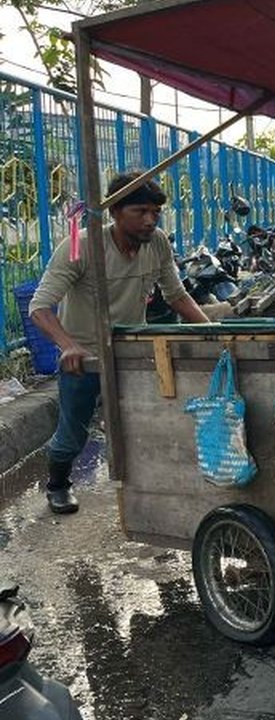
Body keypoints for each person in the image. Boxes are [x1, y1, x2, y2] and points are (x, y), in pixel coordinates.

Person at [29, 171, 211, 514]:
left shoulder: (157, 242)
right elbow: (39, 307)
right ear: (114, 211)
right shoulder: (81, 246)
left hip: (132, 351)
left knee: (143, 419)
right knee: (73, 431)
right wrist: (68, 346)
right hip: (84, 357)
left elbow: (176, 295)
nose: (150, 220)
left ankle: (145, 487)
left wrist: (214, 333)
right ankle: (58, 485)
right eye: (140, 212)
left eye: (155, 212)